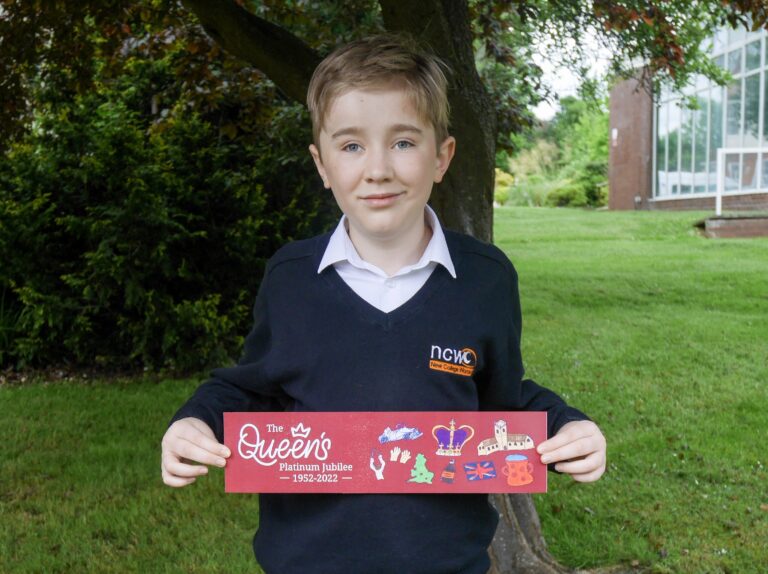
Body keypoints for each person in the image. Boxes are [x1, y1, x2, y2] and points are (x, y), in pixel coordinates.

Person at [161, 34, 606, 574]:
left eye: (403, 142)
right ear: (321, 164)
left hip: (448, 564)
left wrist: (565, 425)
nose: (377, 169)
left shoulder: (486, 280)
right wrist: (195, 421)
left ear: (442, 157)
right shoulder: (290, 279)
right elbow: (248, 387)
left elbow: (503, 405)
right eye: (351, 146)